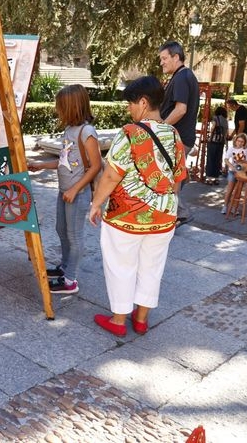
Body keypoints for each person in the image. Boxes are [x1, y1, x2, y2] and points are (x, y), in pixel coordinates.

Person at [88, 76, 186, 337]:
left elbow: (111, 175)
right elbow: (177, 177)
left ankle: (119, 320)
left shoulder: (130, 133)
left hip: (126, 215)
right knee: (152, 267)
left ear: (143, 102)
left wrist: (96, 204)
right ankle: (141, 319)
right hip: (164, 216)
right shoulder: (173, 134)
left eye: (130, 103)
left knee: (121, 265)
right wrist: (166, 206)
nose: (128, 109)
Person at [28, 85, 102, 295]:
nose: (57, 110)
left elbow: (96, 166)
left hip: (77, 194)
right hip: (65, 191)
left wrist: (75, 189)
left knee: (74, 235)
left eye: (60, 106)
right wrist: (41, 165)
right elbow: (64, 161)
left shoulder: (87, 132)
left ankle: (70, 280)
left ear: (72, 107)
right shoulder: (69, 130)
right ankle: (65, 266)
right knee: (61, 229)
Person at [158, 41, 199, 227]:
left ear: (176, 57)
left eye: (164, 58)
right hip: (180, 138)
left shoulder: (182, 77)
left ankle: (180, 213)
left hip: (178, 139)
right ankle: (175, 214)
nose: (162, 63)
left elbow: (180, 110)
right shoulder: (183, 75)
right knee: (169, 179)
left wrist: (159, 128)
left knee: (166, 180)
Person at [221, 133, 247, 214]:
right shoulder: (231, 149)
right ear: (235, 140)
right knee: (230, 190)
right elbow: (226, 160)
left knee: (238, 191)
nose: (240, 143)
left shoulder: (246, 147)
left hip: (243, 172)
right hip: (233, 172)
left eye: (242, 141)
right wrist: (232, 167)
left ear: (245, 142)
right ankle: (225, 207)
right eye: (238, 141)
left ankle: (235, 208)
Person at [205, 105, 228, 184]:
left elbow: (212, 128)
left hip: (213, 141)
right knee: (218, 159)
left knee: (210, 159)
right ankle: (216, 178)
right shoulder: (225, 120)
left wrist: (209, 138)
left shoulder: (216, 118)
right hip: (221, 142)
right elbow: (226, 133)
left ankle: (209, 178)